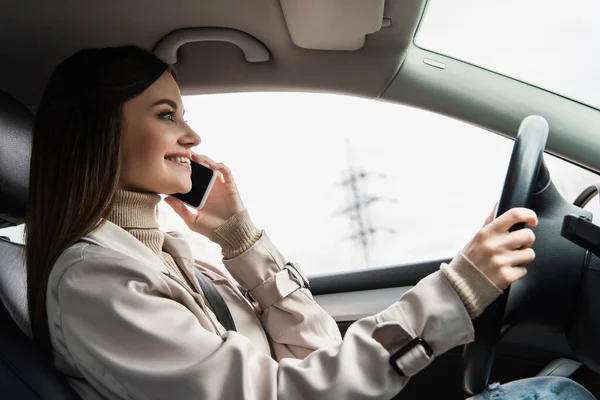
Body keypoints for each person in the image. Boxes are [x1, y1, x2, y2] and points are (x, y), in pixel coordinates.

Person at [24, 46, 595, 400]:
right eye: (166, 115)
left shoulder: (172, 253)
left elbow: (316, 351)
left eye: (185, 115)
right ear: (99, 133)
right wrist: (459, 289)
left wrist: (240, 240)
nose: (192, 137)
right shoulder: (96, 280)